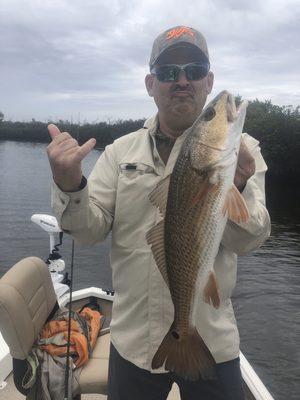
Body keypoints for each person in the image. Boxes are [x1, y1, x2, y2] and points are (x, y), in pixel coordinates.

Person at [47, 26, 271, 400]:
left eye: (194, 70)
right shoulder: (119, 152)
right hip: (134, 342)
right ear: (151, 84)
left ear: (208, 79)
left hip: (211, 341)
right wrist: (70, 185)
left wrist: (242, 187)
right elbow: (89, 231)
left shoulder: (243, 151)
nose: (182, 80)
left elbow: (250, 240)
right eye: (168, 73)